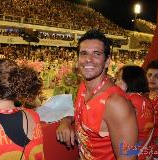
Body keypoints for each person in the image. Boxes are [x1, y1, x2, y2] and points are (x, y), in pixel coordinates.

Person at [56, 29, 138, 160]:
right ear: (77, 60)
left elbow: (130, 157)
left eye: (97, 54)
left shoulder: (116, 103)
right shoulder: (83, 87)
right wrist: (66, 121)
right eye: (84, 53)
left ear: (107, 61)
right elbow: (79, 111)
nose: (88, 59)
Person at [115, 65, 154, 159]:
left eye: (120, 79)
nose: (116, 82)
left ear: (131, 80)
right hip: (140, 152)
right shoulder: (141, 99)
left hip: (132, 154)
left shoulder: (132, 100)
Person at [146, 59, 158, 158]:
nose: (152, 78)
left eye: (157, 76)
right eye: (149, 75)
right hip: (139, 147)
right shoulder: (140, 95)